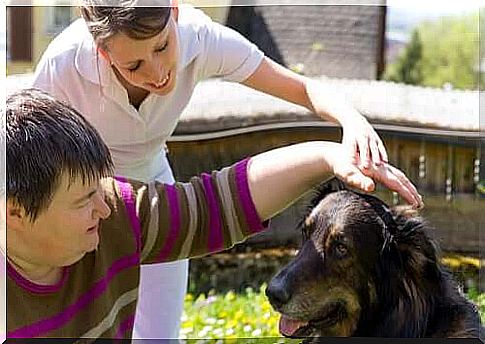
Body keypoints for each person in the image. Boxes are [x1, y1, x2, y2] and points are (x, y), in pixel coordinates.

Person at [32, 0, 390, 339]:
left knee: (159, 337)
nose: (157, 73)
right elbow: (24, 157)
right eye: (134, 66)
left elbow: (302, 88)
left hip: (157, 199)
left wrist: (352, 121)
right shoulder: (64, 65)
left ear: (173, 11)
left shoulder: (200, 38)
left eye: (161, 47)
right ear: (102, 51)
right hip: (81, 207)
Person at [3, 89, 422, 339]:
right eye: (83, 200)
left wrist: (330, 155)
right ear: (15, 212)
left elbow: (212, 207)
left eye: (101, 187)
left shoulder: (115, 213)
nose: (104, 205)